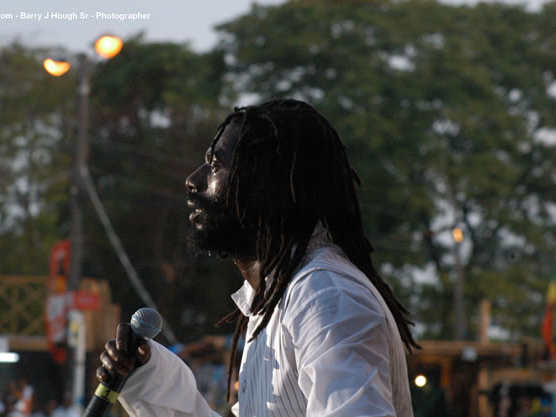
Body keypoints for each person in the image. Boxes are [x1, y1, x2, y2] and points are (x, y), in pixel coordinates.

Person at [97, 99, 420, 416]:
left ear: (264, 183)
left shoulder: (324, 295)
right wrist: (147, 373)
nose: (193, 180)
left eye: (214, 165)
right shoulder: (280, 297)